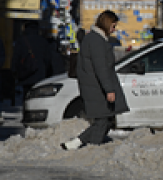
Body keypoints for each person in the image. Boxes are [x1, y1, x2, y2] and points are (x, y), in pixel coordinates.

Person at [61, 11, 130, 149]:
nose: (114, 29)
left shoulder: (94, 39)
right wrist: (109, 89)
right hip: (96, 87)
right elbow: (101, 68)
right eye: (113, 26)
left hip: (94, 85)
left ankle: (78, 143)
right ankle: (91, 147)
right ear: (106, 24)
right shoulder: (96, 41)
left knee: (107, 120)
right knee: (102, 120)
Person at [11, 21, 51, 106]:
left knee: (26, 95)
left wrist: (14, 70)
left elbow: (16, 57)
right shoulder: (43, 41)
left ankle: (26, 112)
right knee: (38, 96)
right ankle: (36, 112)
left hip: (26, 73)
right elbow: (48, 59)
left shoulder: (21, 40)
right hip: (40, 75)